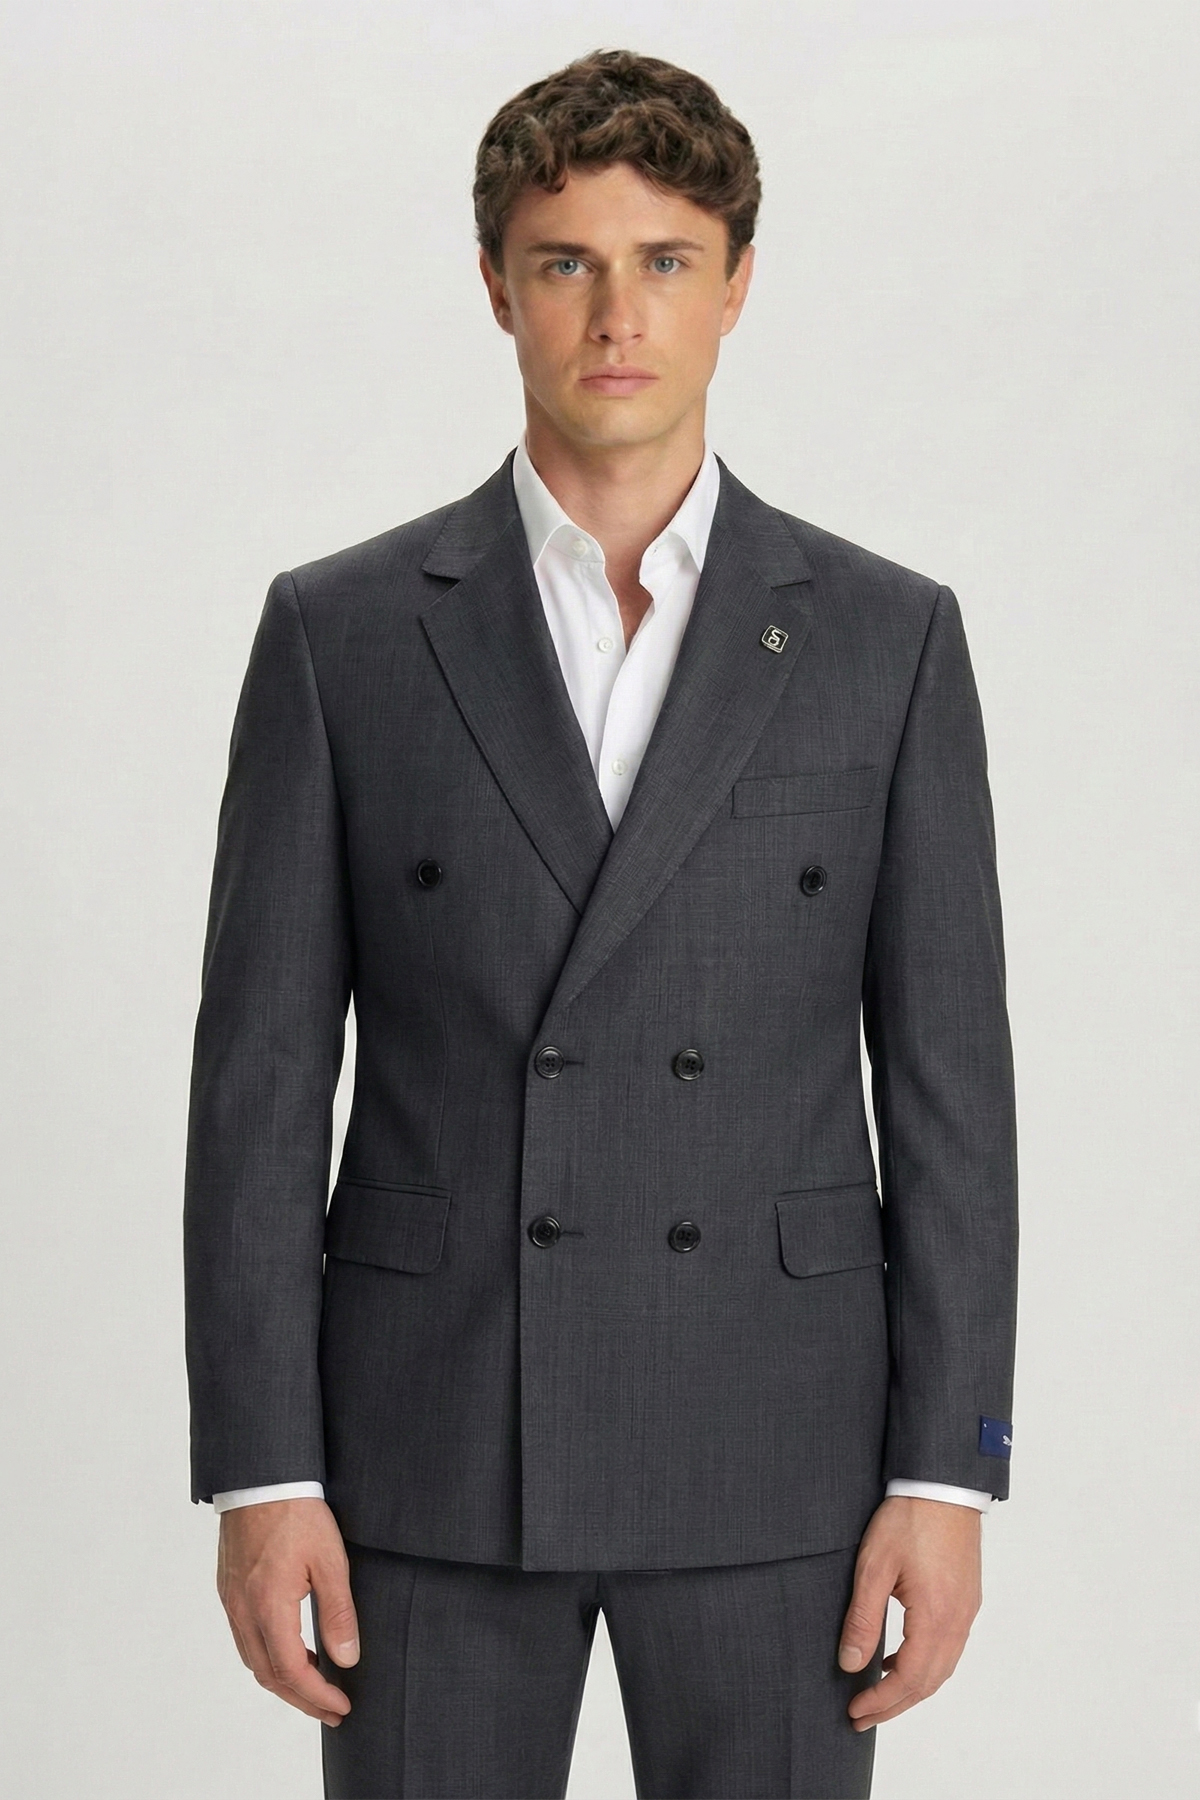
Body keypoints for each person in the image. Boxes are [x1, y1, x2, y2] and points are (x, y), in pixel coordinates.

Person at [183, 46, 1018, 1800]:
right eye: (565, 261)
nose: (617, 315)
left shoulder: (885, 640)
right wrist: (265, 1472)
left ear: (738, 286)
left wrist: (945, 1473)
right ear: (498, 286)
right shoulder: (344, 634)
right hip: (427, 1440)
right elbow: (256, 1088)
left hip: (779, 1447)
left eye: (665, 262)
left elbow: (952, 1091)